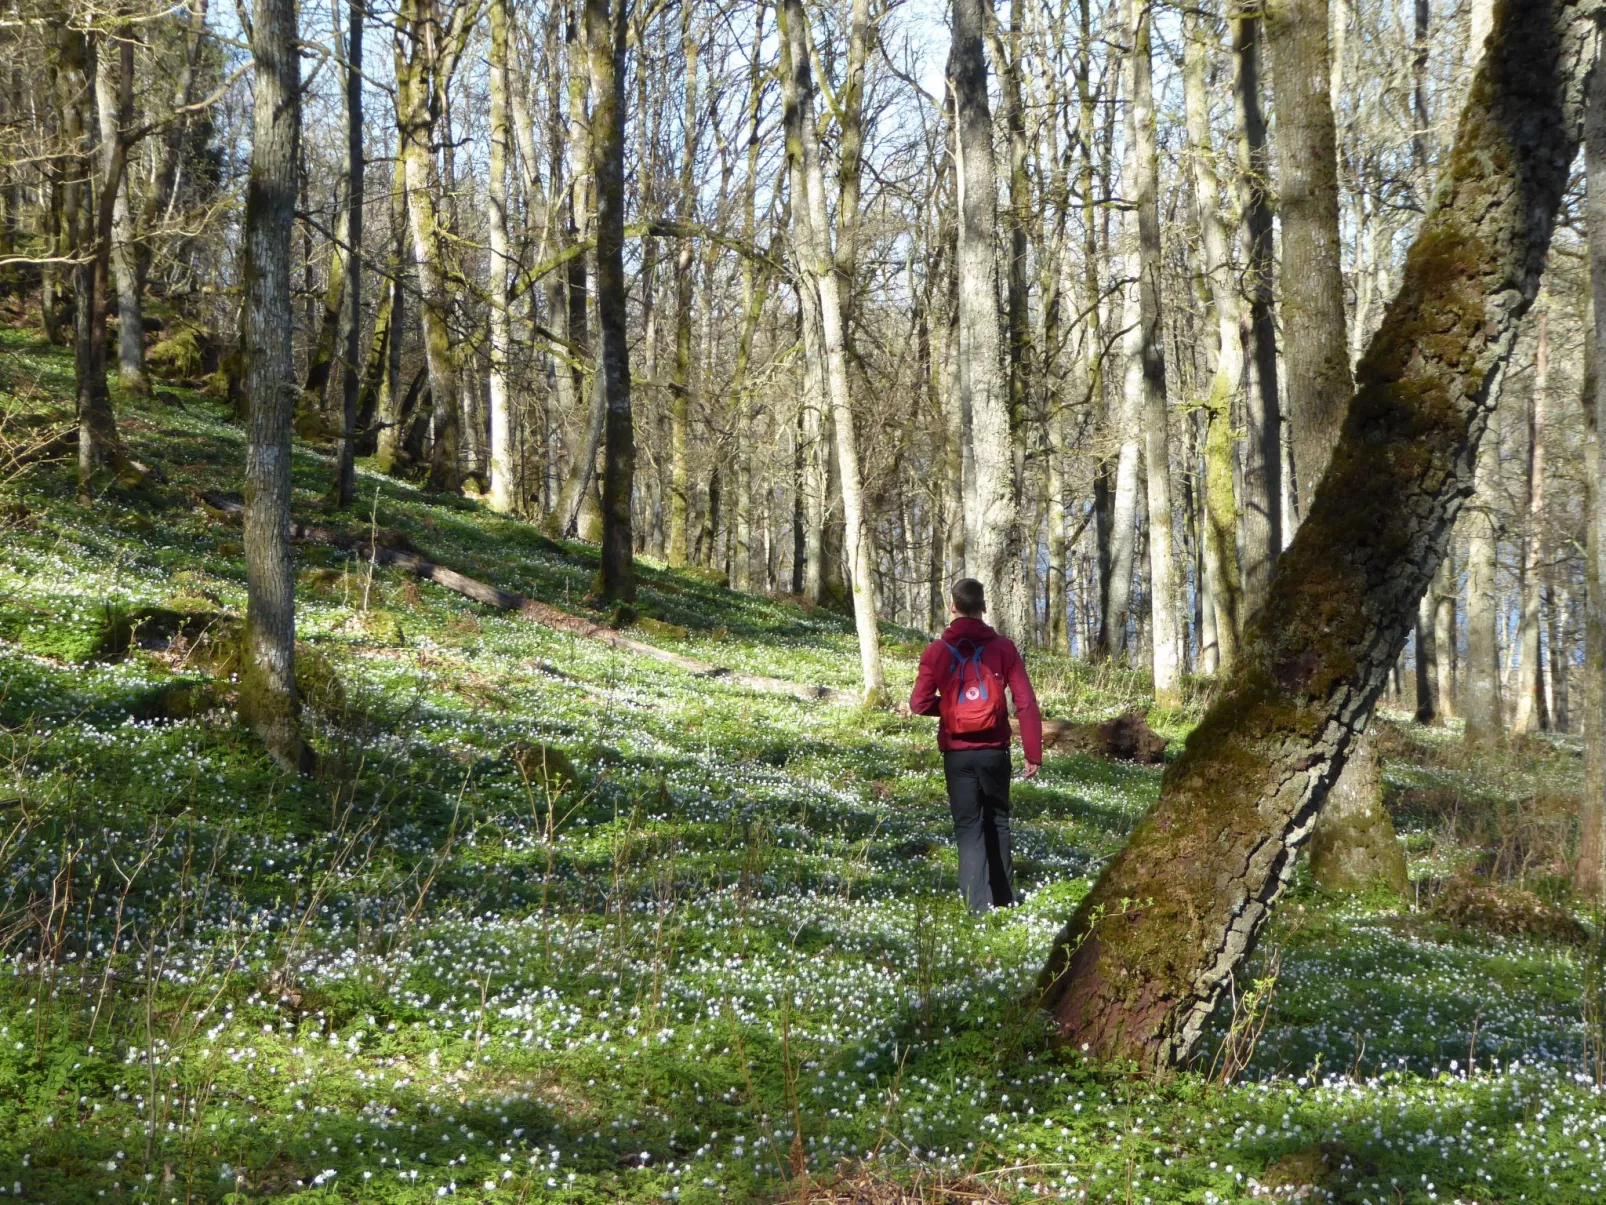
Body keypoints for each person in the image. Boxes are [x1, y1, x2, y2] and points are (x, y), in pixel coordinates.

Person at [909, 578, 1042, 913]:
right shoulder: (1003, 648)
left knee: (968, 827)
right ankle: (1004, 899)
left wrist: (952, 710)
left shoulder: (937, 651)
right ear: (983, 606)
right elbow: (1025, 703)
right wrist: (1033, 753)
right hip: (995, 750)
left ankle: (976, 908)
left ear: (952, 606)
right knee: (997, 821)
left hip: (957, 754)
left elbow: (919, 703)